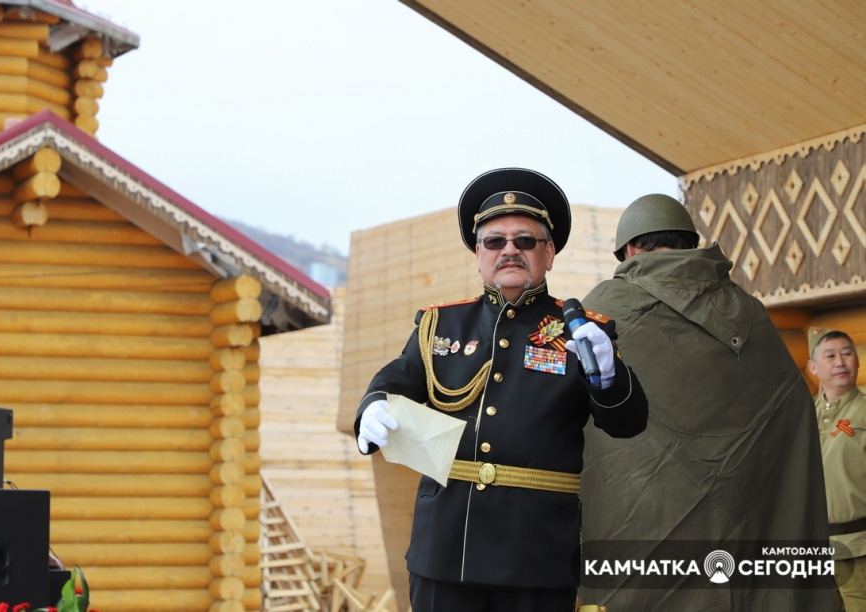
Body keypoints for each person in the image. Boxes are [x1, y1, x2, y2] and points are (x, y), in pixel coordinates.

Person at [354, 167, 649, 611]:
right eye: (495, 241)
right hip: (444, 554)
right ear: (478, 254)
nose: (509, 250)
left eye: (525, 241)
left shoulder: (582, 333)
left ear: (549, 254)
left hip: (535, 557)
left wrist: (609, 375)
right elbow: (396, 379)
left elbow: (628, 422)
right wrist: (372, 405)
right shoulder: (441, 326)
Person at [577, 193, 834, 610]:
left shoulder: (603, 311)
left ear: (628, 250)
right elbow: (793, 410)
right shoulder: (749, 311)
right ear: (690, 242)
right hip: (746, 549)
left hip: (643, 560)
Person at [809, 326, 866, 611]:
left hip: (859, 545)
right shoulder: (803, 416)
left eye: (847, 353)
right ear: (813, 366)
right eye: (830, 355)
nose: (840, 362)